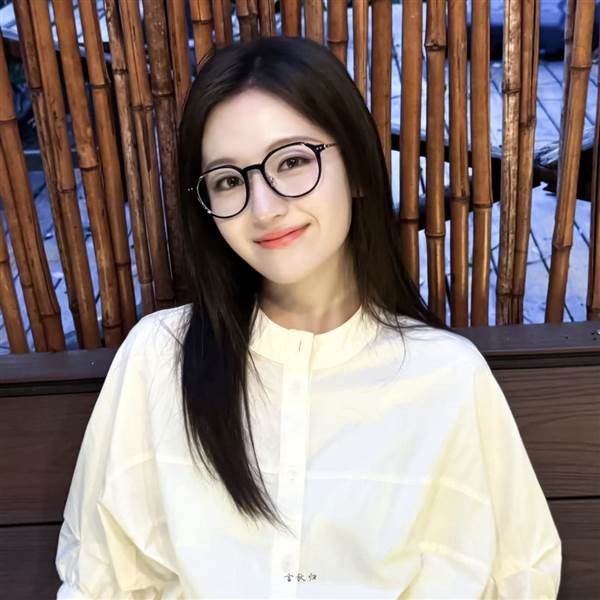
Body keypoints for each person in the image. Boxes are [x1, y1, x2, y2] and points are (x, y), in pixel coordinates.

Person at [55, 35, 561, 599]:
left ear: (359, 168)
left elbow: (517, 577)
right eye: (229, 180)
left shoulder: (446, 378)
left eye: (293, 161)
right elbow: (98, 578)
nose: (264, 208)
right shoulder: (158, 359)